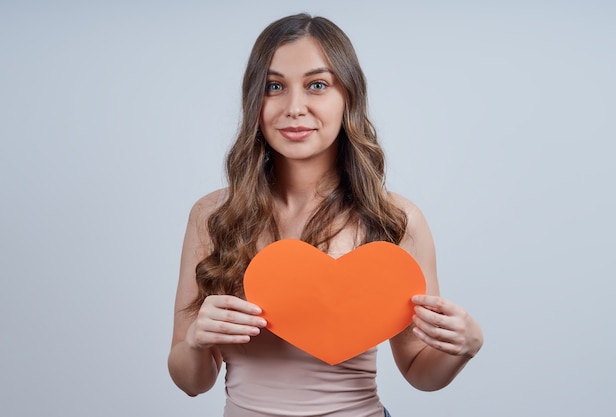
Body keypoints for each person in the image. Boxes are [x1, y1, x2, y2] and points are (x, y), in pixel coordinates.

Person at [168, 13, 483, 417]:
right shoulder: (213, 216)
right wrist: (196, 340)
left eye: (317, 85)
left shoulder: (396, 220)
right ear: (254, 101)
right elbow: (190, 381)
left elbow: (420, 372)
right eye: (274, 87)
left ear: (348, 97)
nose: (294, 107)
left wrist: (464, 348)